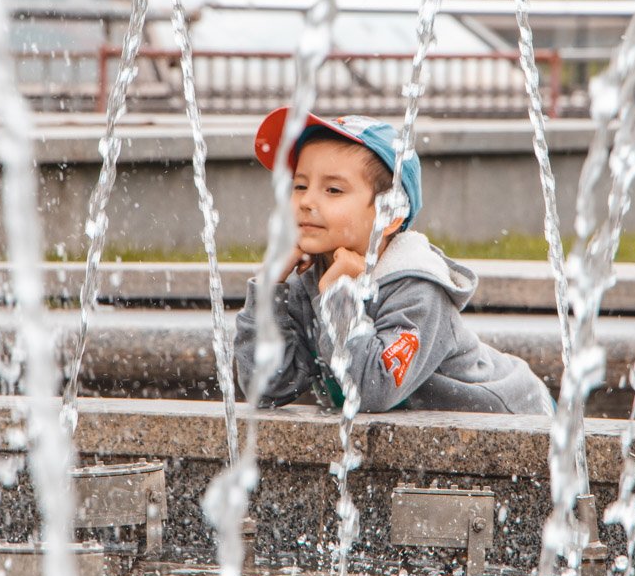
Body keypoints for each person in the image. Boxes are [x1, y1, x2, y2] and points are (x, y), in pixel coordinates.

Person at [234, 107, 554, 415]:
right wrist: (269, 288)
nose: (306, 201)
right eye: (300, 185)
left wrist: (338, 297)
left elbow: (372, 390)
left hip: (516, 422)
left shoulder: (418, 289)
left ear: (389, 215)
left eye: (333, 189)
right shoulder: (310, 279)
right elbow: (267, 388)